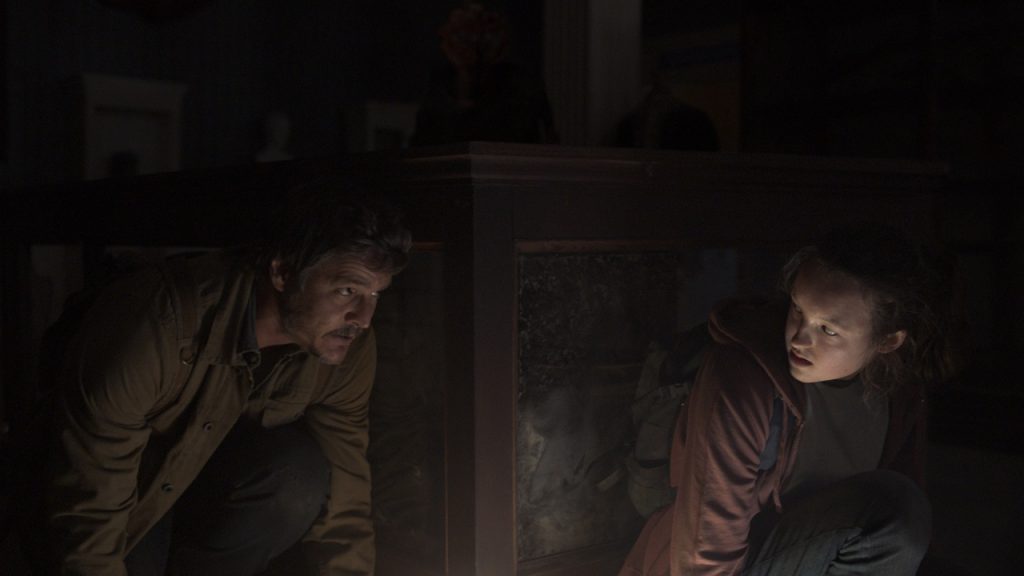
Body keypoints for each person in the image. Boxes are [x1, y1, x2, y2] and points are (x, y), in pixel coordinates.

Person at [22, 181, 411, 575]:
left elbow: (346, 493)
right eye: (347, 290)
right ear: (283, 272)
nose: (363, 318)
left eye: (375, 295)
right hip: (128, 499)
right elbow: (88, 508)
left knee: (297, 472)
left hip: (207, 499)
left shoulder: (347, 346)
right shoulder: (156, 322)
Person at [620, 223, 959, 575]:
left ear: (888, 341)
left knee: (905, 513)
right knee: (891, 505)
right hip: (736, 565)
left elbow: (907, 539)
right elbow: (706, 547)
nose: (799, 338)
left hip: (824, 555)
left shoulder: (898, 392)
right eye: (798, 309)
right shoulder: (744, 381)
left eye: (828, 329)